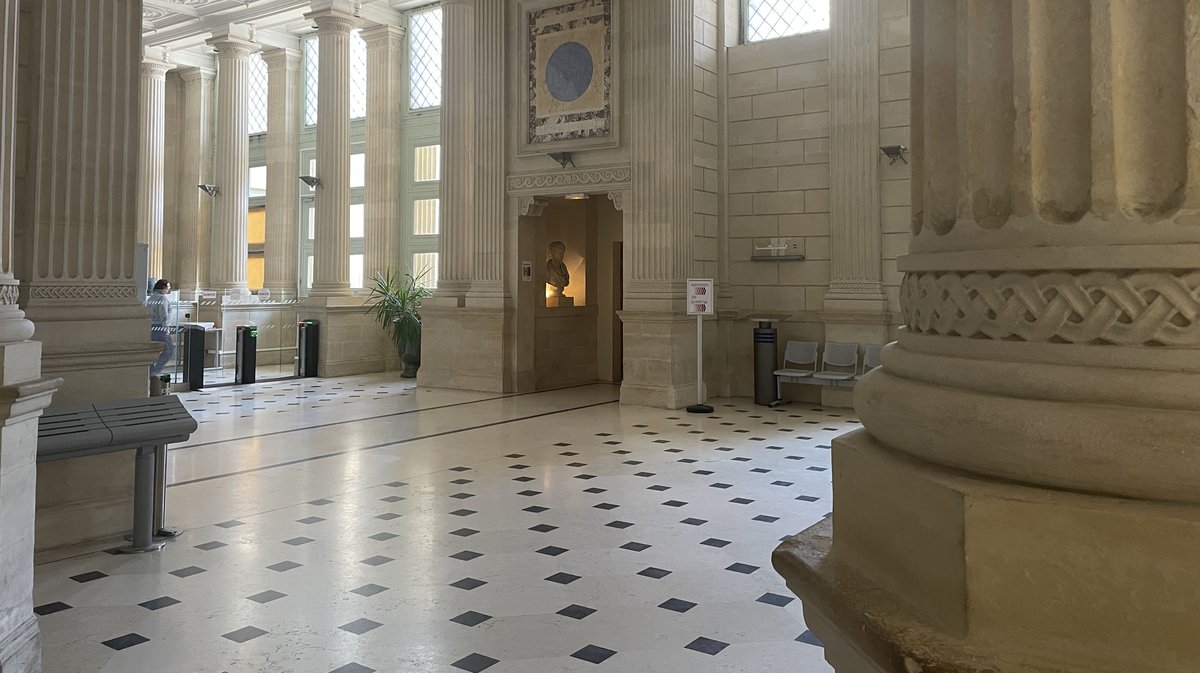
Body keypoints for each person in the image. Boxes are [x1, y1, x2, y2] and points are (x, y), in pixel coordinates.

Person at [147, 279, 175, 376]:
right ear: (163, 288)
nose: (168, 289)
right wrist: (166, 329)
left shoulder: (150, 298)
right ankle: (155, 370)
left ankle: (151, 370)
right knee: (169, 350)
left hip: (151, 327)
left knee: (153, 350)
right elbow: (164, 315)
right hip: (160, 327)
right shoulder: (162, 299)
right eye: (168, 287)